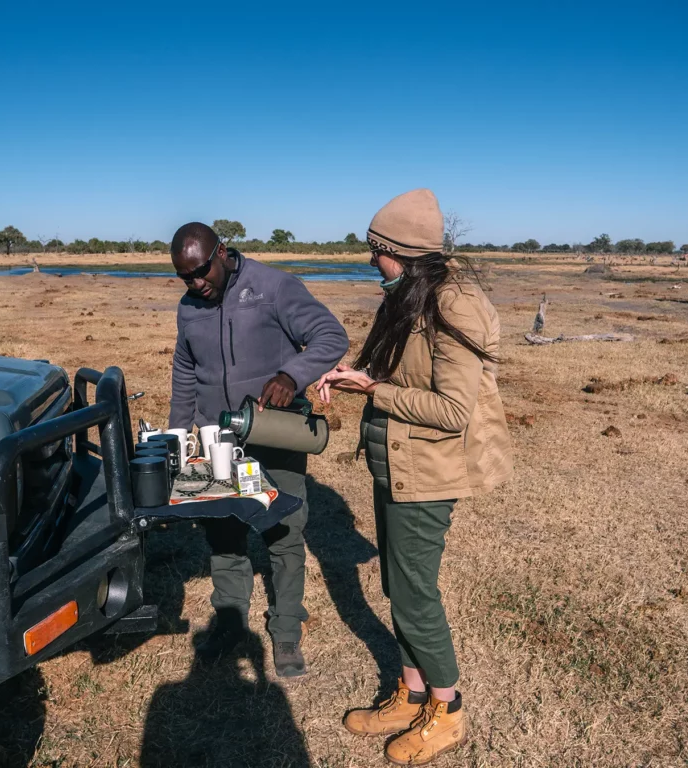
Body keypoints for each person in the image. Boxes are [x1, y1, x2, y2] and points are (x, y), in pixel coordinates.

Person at [317, 189, 512, 764]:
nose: (370, 261)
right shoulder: (411, 295)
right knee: (398, 587)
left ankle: (447, 712)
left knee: (415, 594)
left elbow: (453, 410)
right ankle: (411, 692)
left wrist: (375, 391)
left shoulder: (455, 305)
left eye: (375, 251)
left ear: (400, 251)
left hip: (427, 473)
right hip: (394, 467)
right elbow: (401, 369)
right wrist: (356, 373)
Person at [168, 222, 348, 677]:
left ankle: (286, 629)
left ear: (222, 253)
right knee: (224, 532)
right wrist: (175, 439)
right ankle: (230, 623)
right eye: (185, 277)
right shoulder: (189, 308)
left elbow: (331, 336)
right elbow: (185, 372)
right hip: (218, 439)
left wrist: (292, 375)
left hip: (273, 432)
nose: (196, 284)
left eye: (201, 271)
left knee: (284, 532)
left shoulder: (273, 287)